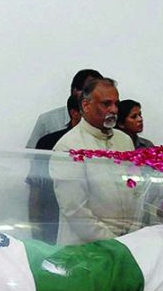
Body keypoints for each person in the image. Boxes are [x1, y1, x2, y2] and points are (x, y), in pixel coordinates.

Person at [50, 77, 136, 244]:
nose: (114, 110)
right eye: (106, 104)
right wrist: (113, 242)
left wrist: (131, 235)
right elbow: (75, 210)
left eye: (116, 103)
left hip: (127, 244)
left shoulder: (124, 141)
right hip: (85, 248)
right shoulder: (69, 146)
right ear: (85, 105)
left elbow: (135, 191)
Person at [26, 95, 81, 243]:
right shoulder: (50, 143)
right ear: (74, 113)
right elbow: (37, 187)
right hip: (53, 218)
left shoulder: (110, 143)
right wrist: (36, 231)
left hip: (89, 225)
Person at [26, 69, 102, 148]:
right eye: (91, 92)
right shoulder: (47, 120)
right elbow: (31, 155)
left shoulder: (103, 119)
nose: (96, 96)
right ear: (75, 92)